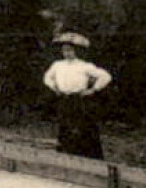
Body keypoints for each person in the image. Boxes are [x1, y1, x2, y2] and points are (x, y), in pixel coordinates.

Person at [43, 32, 113, 160]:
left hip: (79, 99)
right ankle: (66, 153)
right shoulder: (57, 65)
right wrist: (54, 87)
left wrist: (93, 90)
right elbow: (47, 77)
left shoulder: (84, 66)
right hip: (64, 98)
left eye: (70, 50)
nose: (67, 53)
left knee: (83, 126)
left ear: (76, 51)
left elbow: (105, 76)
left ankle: (87, 155)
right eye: (65, 50)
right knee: (65, 125)